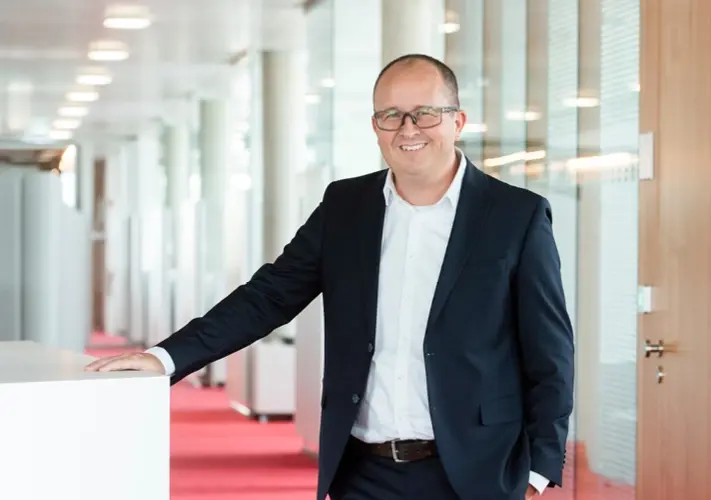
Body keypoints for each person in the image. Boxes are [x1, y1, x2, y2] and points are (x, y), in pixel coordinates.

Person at [85, 53, 574, 500]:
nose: (408, 129)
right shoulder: (346, 207)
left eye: (425, 113)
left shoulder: (516, 216)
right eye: (390, 115)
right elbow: (268, 296)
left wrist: (537, 472)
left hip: (475, 473)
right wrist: (167, 357)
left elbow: (549, 352)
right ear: (376, 126)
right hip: (362, 472)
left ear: (457, 121)